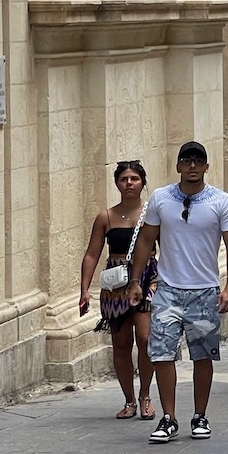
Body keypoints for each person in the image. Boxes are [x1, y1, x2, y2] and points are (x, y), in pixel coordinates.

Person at [127, 142, 228, 445]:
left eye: (198, 161)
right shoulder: (161, 198)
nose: (192, 166)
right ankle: (168, 417)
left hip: (204, 290)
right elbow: (146, 240)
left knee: (203, 354)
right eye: (186, 161)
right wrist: (136, 281)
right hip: (168, 289)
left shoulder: (221, 201)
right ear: (178, 166)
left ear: (206, 166)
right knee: (161, 352)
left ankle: (200, 414)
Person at [78, 160, 156, 421]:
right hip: (115, 282)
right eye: (124, 179)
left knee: (145, 338)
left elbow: (168, 246)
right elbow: (92, 253)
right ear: (117, 183)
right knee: (121, 343)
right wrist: (84, 289)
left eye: (134, 178)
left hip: (147, 278)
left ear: (143, 182)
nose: (129, 183)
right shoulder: (106, 217)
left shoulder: (152, 213)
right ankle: (129, 399)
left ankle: (146, 395)